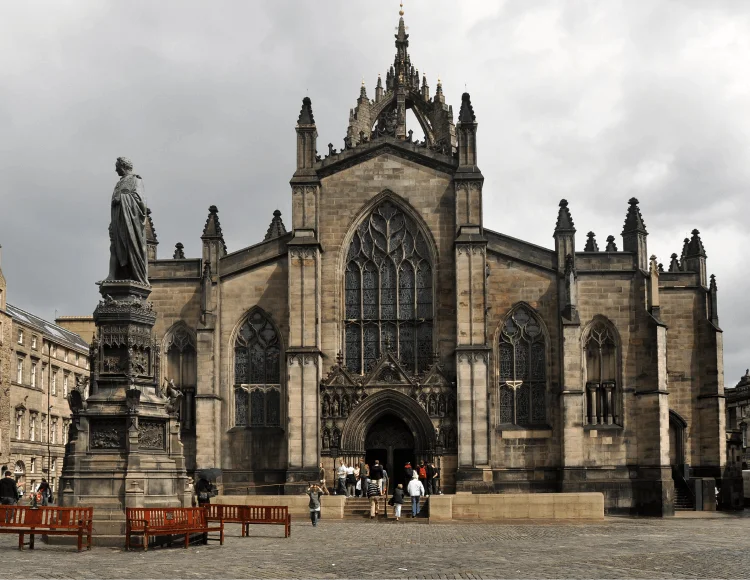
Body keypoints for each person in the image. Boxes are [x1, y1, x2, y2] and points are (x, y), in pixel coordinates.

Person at [107, 156, 149, 285]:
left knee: (132, 247)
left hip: (130, 222)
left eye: (117, 167)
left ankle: (135, 274)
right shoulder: (119, 183)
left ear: (123, 167)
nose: (115, 170)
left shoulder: (136, 180)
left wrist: (122, 198)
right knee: (114, 247)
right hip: (117, 220)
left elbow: (141, 201)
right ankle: (112, 275)